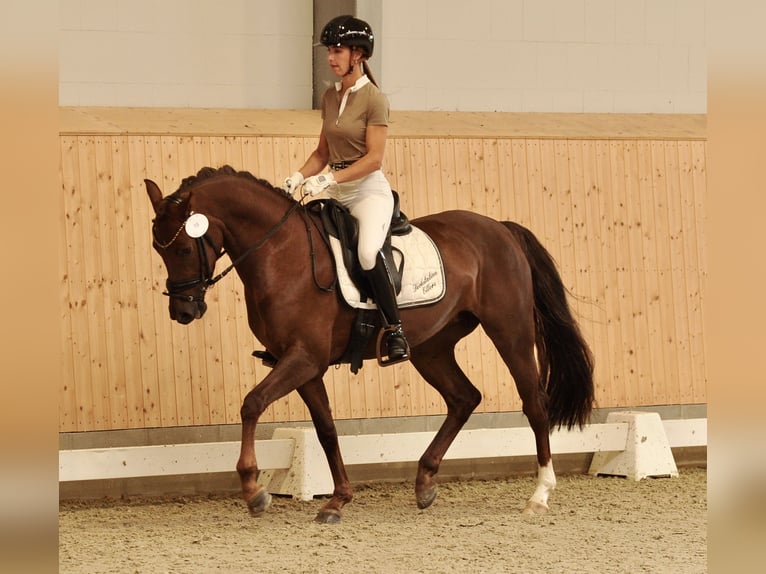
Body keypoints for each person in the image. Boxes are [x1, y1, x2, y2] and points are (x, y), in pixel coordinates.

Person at [284, 14, 409, 363]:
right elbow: (323, 153)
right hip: (337, 191)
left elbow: (374, 159)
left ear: (358, 54)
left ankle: (395, 330)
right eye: (329, 51)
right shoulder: (329, 96)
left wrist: (330, 179)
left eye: (337, 51)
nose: (330, 58)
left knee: (368, 252)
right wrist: (298, 175)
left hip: (367, 191)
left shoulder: (374, 100)